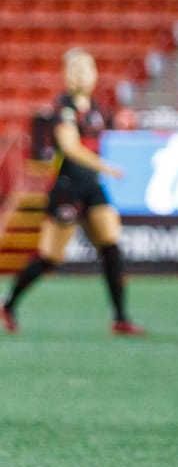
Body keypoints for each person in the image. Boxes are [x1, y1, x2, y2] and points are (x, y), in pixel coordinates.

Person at [1, 48, 143, 335]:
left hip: (92, 187)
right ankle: (9, 304)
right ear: (67, 75)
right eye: (77, 69)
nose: (83, 75)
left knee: (111, 245)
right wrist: (107, 167)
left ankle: (120, 318)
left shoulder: (96, 108)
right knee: (51, 257)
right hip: (67, 188)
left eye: (88, 68)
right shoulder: (63, 108)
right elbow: (70, 147)